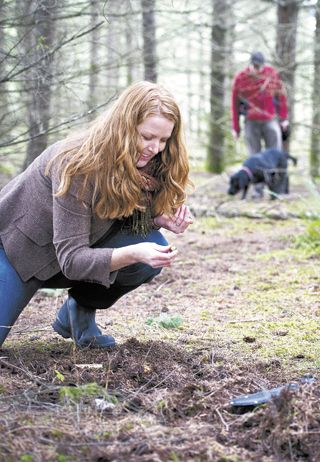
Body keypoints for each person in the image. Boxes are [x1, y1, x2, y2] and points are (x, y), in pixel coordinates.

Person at [0, 81, 193, 350]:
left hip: (66, 252)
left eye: (163, 140)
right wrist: (133, 253)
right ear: (123, 126)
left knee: (155, 249)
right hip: (17, 252)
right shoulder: (77, 163)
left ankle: (79, 308)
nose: (155, 148)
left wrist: (158, 219)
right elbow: (72, 260)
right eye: (147, 137)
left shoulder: (144, 165)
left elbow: (110, 214)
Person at [231, 51, 289, 155]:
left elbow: (281, 97)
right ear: (250, 64)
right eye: (255, 66)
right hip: (251, 121)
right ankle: (256, 172)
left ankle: (273, 171)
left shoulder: (271, 74)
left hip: (270, 119)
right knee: (254, 155)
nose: (257, 69)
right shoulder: (241, 78)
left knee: (274, 152)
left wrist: (283, 118)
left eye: (259, 66)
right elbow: (235, 105)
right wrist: (236, 128)